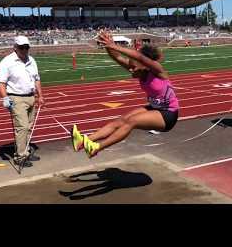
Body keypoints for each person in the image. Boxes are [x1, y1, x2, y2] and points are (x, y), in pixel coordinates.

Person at [71, 29, 179, 158]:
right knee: (121, 121)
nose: (131, 70)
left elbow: (139, 57)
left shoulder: (158, 72)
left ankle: (97, 148)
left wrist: (115, 46)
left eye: (134, 68)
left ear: (145, 66)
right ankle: (84, 141)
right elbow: (116, 57)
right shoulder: (139, 70)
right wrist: (108, 44)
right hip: (155, 108)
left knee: (132, 121)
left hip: (168, 114)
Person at [0, 35, 45, 167]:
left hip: (31, 97)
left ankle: (26, 151)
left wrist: (40, 95)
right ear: (15, 48)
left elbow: (36, 79)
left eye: (27, 47)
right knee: (22, 127)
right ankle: (20, 157)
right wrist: (5, 98)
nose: (24, 50)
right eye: (22, 47)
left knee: (29, 127)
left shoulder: (32, 60)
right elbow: (1, 82)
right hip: (16, 97)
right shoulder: (7, 62)